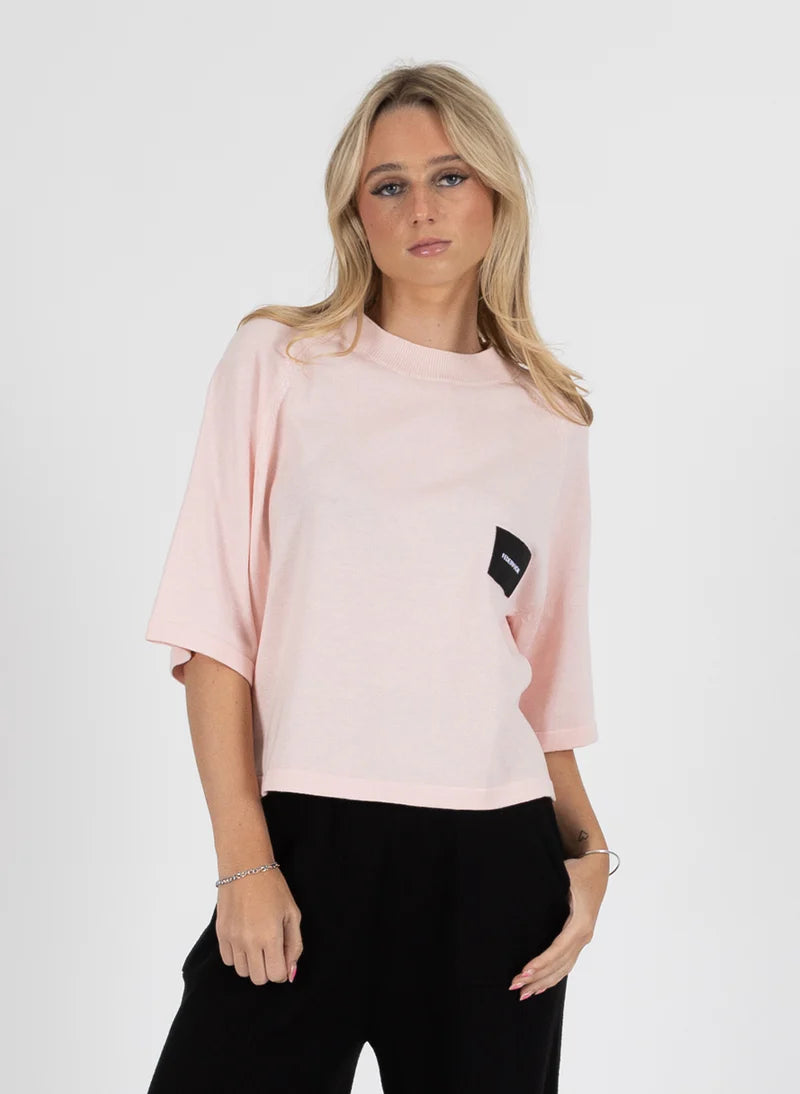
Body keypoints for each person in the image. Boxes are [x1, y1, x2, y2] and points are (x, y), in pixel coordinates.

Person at [143, 61, 619, 1094]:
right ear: (355, 214)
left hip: (495, 865)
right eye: (388, 185)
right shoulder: (281, 361)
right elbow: (214, 627)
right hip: (305, 845)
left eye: (449, 176)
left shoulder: (548, 422)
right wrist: (244, 859)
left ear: (496, 194)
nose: (421, 208)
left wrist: (588, 853)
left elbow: (542, 679)